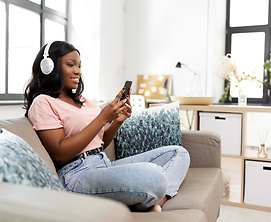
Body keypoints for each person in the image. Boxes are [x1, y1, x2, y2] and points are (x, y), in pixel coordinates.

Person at [24, 41, 190, 212]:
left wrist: (118, 120)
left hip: (103, 164)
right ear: (48, 67)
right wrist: (102, 118)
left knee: (179, 153)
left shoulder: (81, 99)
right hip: (76, 175)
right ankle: (145, 197)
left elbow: (99, 142)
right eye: (70, 65)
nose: (77, 71)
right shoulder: (43, 102)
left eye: (79, 66)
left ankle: (157, 202)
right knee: (154, 176)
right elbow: (59, 154)